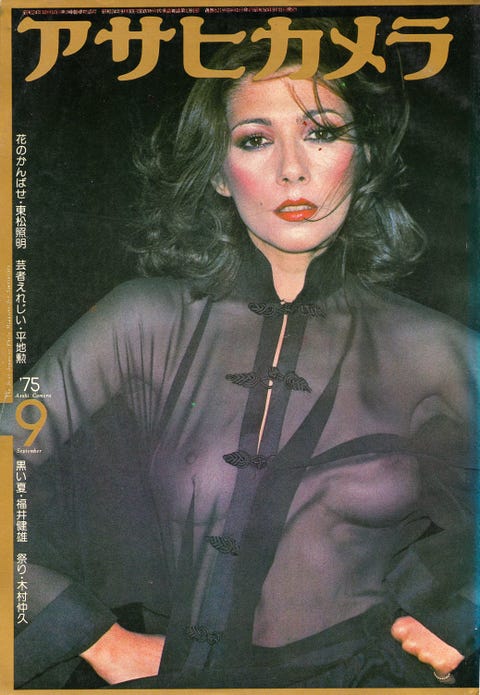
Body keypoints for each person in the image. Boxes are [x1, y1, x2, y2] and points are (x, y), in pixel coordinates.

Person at [6, 17, 478, 689]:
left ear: (364, 157)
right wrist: (90, 633)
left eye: (322, 132)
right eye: (255, 139)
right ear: (220, 175)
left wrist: (462, 614)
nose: (292, 169)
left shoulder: (437, 349)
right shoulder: (141, 319)